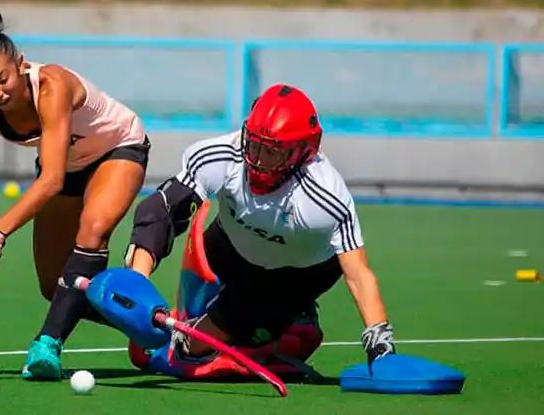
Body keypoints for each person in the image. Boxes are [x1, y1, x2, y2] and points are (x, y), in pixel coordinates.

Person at [122, 83, 397, 379]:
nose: (258, 160)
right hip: (229, 244)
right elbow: (160, 212)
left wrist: (380, 347)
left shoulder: (326, 198)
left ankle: (291, 318)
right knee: (192, 317)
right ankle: (259, 326)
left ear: (304, 152)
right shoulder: (220, 156)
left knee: (190, 348)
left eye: (273, 152)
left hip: (297, 271)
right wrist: (137, 283)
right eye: (253, 144)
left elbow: (358, 273)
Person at [0, 9, 151, 382]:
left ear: (20, 65)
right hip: (68, 167)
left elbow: (52, 179)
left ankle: (47, 343)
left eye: (1, 79)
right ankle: (149, 325)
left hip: (117, 148)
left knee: (92, 231)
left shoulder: (52, 86)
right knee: (53, 284)